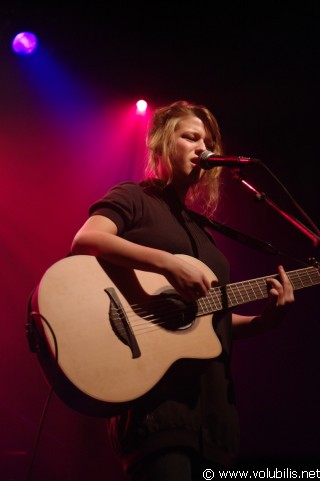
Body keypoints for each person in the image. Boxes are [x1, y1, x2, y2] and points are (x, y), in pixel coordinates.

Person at [71, 100, 295, 480]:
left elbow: (207, 320)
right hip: (159, 409)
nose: (202, 146)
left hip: (214, 416)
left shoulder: (202, 233)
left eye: (207, 140)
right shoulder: (135, 197)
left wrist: (264, 321)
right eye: (190, 137)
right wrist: (167, 263)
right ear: (161, 143)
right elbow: (86, 240)